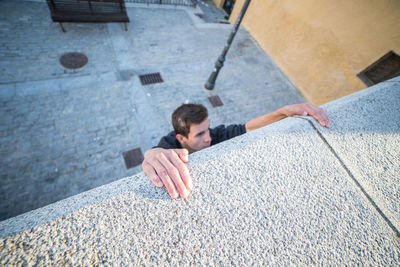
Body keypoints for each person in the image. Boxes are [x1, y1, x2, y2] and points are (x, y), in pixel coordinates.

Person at [142, 103, 330, 199]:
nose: (208, 137)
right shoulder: (169, 143)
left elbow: (247, 128)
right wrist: (151, 155)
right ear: (181, 139)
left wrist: (284, 112)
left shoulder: (214, 136)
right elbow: (155, 153)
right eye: (199, 134)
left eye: (207, 129)